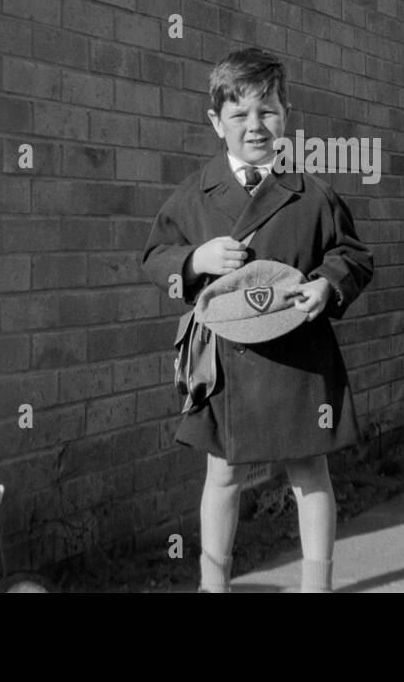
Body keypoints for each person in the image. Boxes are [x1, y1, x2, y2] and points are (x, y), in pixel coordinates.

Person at [141, 47, 373, 592]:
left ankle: (317, 586)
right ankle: (213, 586)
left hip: (298, 356)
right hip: (225, 361)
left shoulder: (311, 193)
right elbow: (155, 257)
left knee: (310, 472)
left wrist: (326, 284)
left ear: (286, 115)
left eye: (267, 111)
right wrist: (195, 260)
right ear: (216, 123)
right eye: (239, 114)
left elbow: (353, 256)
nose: (255, 125)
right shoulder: (194, 194)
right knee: (222, 474)